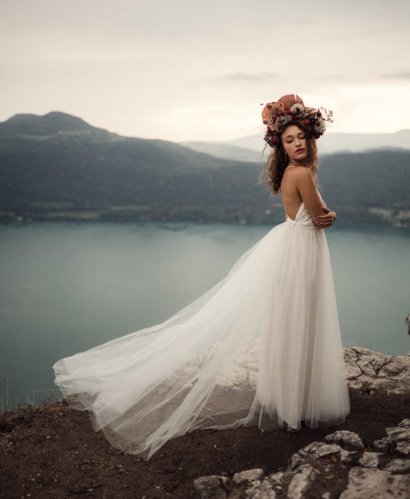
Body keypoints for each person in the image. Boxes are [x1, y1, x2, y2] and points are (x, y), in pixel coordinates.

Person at [53, 94, 350, 461]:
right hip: (303, 251)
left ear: (309, 136)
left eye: (300, 137)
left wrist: (324, 213)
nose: (297, 143)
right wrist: (331, 213)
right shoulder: (302, 173)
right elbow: (321, 216)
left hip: (292, 246)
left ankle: (291, 401)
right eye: (288, 140)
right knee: (303, 320)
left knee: (293, 321)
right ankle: (300, 403)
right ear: (281, 146)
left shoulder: (292, 172)